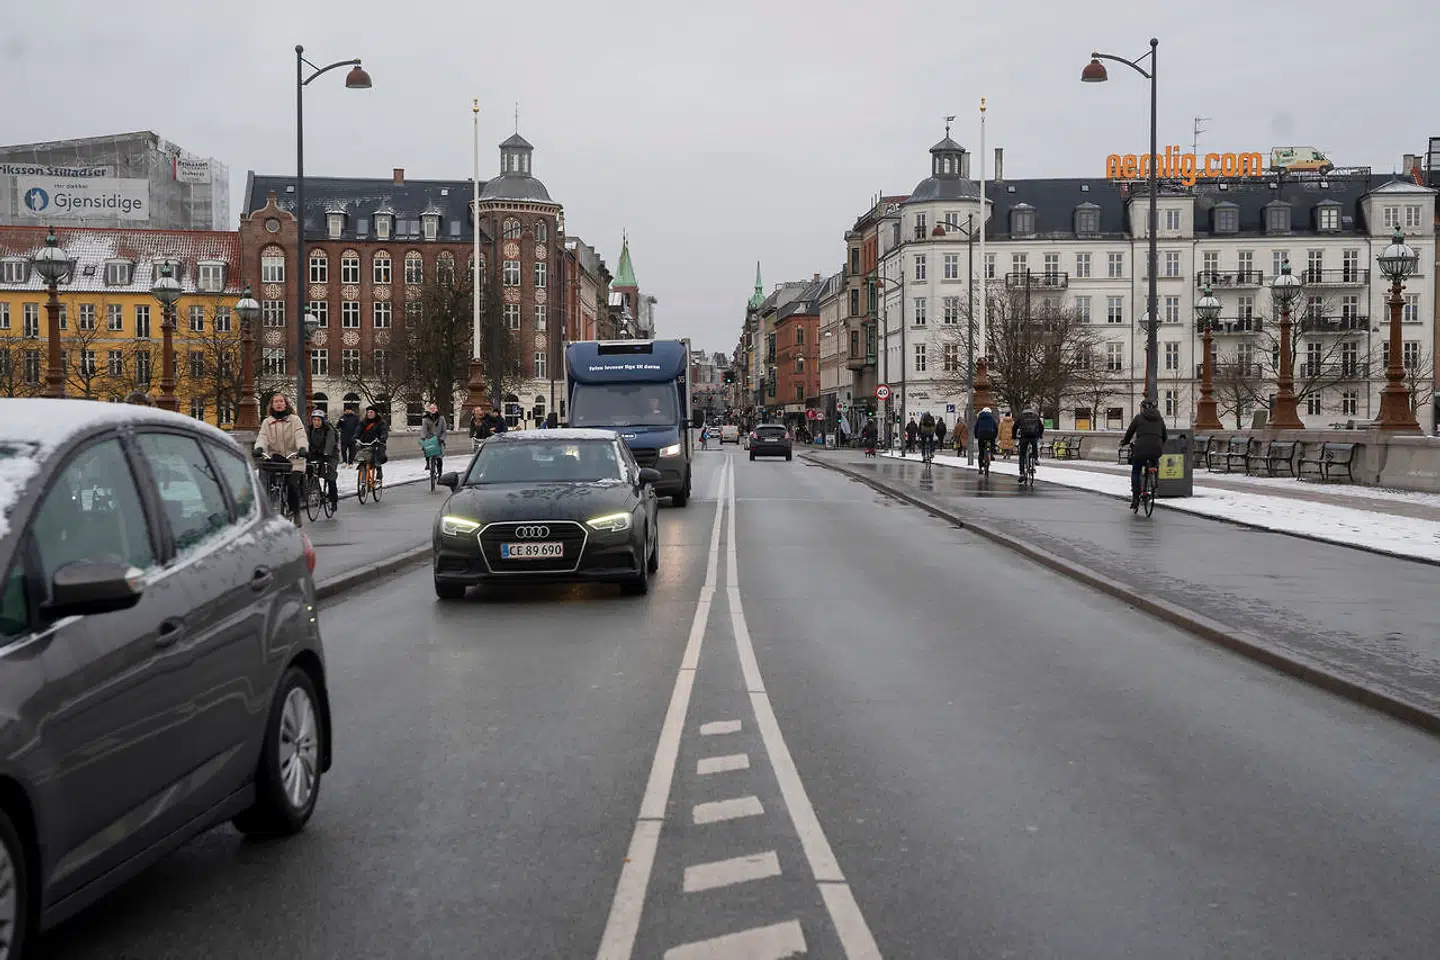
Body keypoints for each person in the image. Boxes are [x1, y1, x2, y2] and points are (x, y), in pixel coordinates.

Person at [254, 394, 308, 525]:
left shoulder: (295, 420)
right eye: (275, 402)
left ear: (286, 404)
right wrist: (259, 448)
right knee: (268, 481)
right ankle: (270, 507)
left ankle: (296, 513)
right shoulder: (267, 422)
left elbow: (300, 435)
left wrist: (302, 448)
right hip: (277, 459)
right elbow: (263, 437)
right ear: (272, 405)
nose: (278, 404)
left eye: (281, 401)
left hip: (294, 458)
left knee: (292, 485)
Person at [1122, 398, 1168, 508]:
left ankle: (1135, 497)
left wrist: (1125, 442)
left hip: (1141, 449)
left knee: (1136, 470)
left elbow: (1130, 432)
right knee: (1154, 462)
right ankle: (1154, 482)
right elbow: (1165, 436)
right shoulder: (1160, 419)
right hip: (1156, 449)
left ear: (1143, 408)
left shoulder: (1139, 418)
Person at [307, 409, 340, 510]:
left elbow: (330, 442)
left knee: (330, 475)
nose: (316, 422)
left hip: (331, 455)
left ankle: (333, 499)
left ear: (322, 421)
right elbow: (306, 441)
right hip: (317, 453)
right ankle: (317, 490)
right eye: (314, 420)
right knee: (311, 470)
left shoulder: (328, 429)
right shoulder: (310, 429)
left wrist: (327, 453)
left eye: (318, 420)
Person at [355, 404, 389, 483]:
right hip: (365, 443)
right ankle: (363, 479)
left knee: (377, 454)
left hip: (377, 443)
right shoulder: (363, 422)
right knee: (361, 457)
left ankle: (379, 472)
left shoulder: (381, 423)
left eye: (371, 412)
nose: (369, 414)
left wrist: (382, 438)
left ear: (375, 413)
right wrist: (355, 438)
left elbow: (384, 432)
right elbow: (358, 431)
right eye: (368, 412)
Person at [1014, 406, 1045, 476]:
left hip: (1024, 436)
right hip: (1033, 436)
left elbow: (1015, 427)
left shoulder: (1021, 417)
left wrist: (1013, 436)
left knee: (1022, 454)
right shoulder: (1036, 416)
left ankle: (1022, 472)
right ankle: (1035, 459)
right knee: (1034, 446)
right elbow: (1041, 427)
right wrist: (1040, 435)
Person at [421, 402, 448, 475]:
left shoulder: (441, 418)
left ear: (436, 409)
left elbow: (444, 430)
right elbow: (424, 430)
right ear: (429, 410)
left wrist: (442, 439)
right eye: (431, 408)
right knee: (426, 449)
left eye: (434, 408)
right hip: (430, 439)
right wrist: (424, 438)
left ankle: (439, 473)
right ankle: (428, 464)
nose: (432, 410)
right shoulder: (425, 419)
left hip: (439, 440)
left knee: (439, 458)